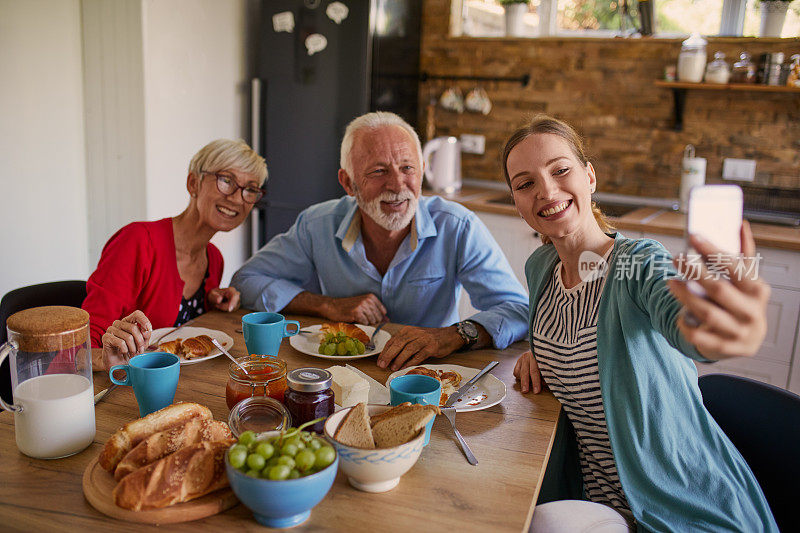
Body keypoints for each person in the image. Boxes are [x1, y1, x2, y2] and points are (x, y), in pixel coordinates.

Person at [503, 116, 777, 532]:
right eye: (525, 184)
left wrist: (716, 335)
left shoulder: (638, 262)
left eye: (560, 170)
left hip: (679, 506)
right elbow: (580, 343)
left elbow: (684, 323)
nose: (546, 190)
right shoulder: (540, 266)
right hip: (603, 505)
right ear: (517, 202)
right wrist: (539, 353)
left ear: (589, 177)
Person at [232, 111, 529, 371]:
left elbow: (519, 309)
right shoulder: (316, 224)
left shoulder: (458, 226)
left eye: (407, 168)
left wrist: (452, 335)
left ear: (422, 171)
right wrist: (326, 306)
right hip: (338, 378)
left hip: (429, 382)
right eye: (378, 171)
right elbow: (246, 280)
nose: (398, 185)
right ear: (348, 182)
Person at [82, 139, 268, 371]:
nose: (237, 197)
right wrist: (104, 359)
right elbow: (81, 346)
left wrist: (210, 300)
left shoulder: (214, 258)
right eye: (226, 180)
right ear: (193, 183)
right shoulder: (137, 241)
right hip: (125, 390)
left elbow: (184, 334)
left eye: (250, 189)